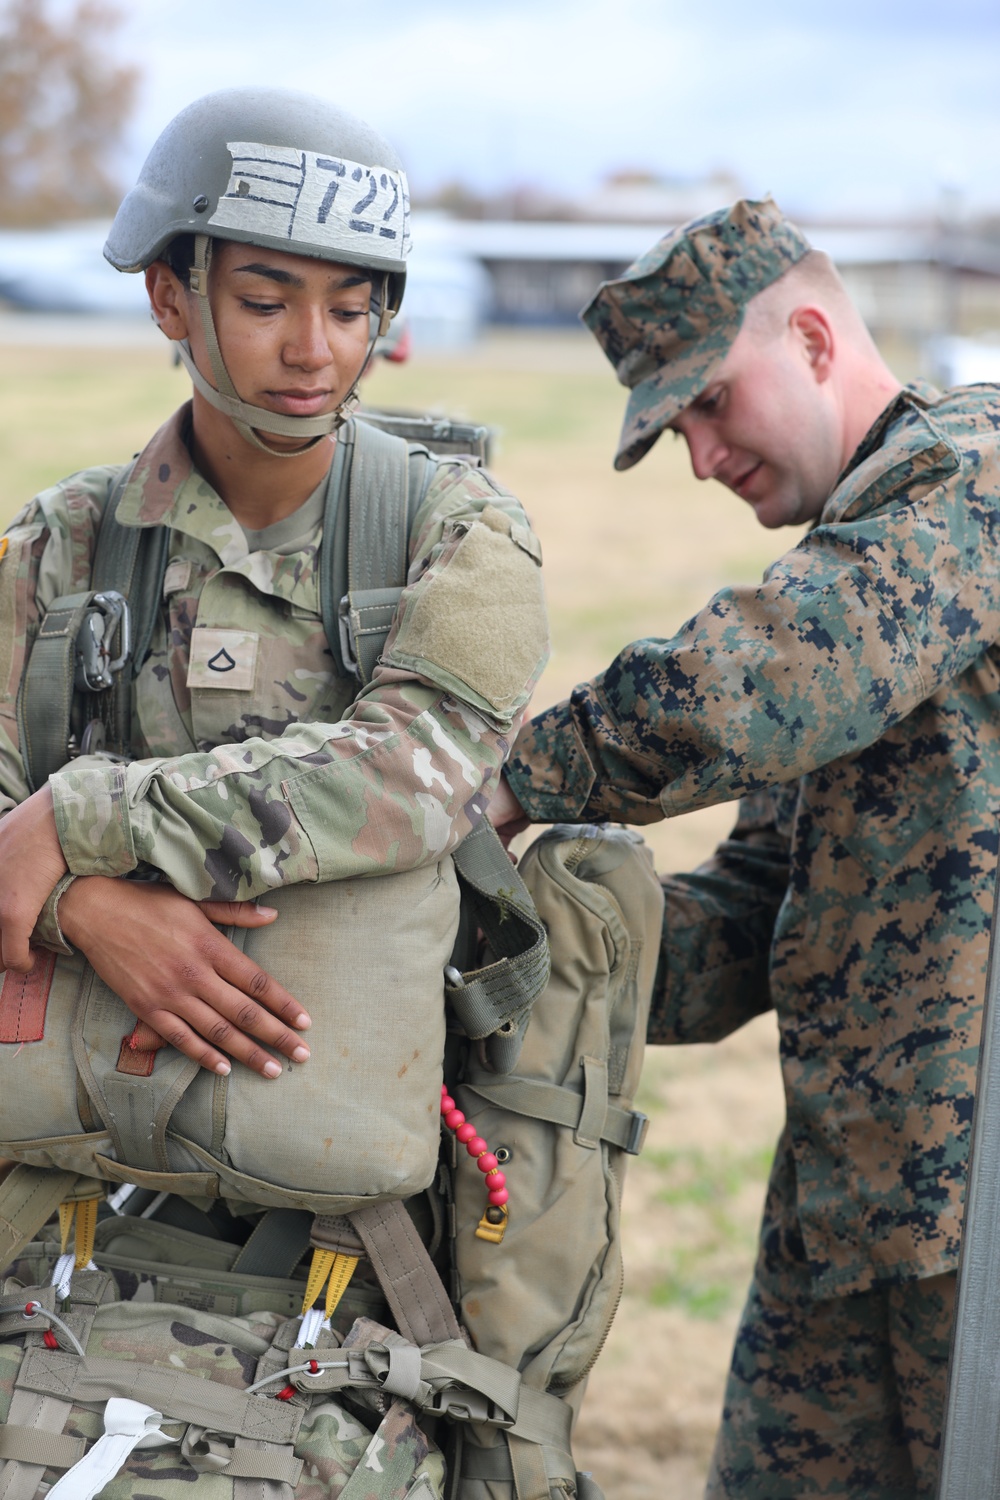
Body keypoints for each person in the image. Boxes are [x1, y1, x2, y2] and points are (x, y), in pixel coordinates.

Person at [488, 197, 1000, 1498]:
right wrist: (502, 936)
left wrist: (512, 780)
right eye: (675, 436)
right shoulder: (859, 548)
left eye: (710, 405)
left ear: (817, 340)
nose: (703, 460)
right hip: (850, 1209)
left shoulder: (973, 488)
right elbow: (756, 918)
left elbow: (755, 683)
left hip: (977, 1238)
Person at [0, 86, 547, 1081]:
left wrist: (91, 822)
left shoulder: (460, 529)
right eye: (264, 302)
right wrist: (82, 909)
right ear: (171, 296)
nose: (314, 350)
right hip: (71, 1188)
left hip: (364, 1176)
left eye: (349, 309)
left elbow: (419, 775)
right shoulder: (61, 544)